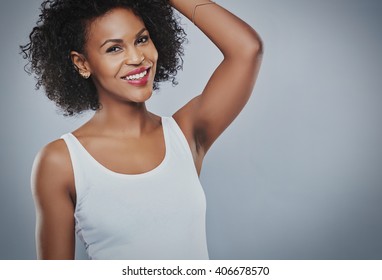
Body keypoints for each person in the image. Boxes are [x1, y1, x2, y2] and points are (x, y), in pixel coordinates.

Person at [21, 0, 262, 260]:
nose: (137, 58)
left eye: (142, 39)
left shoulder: (186, 133)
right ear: (82, 63)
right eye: (114, 48)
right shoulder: (61, 162)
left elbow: (247, 49)